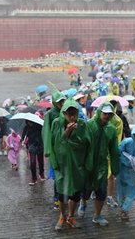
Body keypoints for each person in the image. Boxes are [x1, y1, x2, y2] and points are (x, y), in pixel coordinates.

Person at [49, 99, 91, 231]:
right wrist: (66, 132)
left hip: (77, 165)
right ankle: (62, 215)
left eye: (74, 114)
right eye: (69, 114)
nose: (72, 117)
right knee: (62, 194)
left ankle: (71, 216)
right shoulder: (57, 123)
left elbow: (86, 143)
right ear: (64, 114)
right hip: (63, 165)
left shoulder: (83, 125)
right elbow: (56, 144)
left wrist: (76, 133)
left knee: (75, 194)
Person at [79, 102, 119, 226]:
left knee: (101, 191)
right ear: (100, 112)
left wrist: (114, 167)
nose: (106, 116)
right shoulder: (89, 125)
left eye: (109, 114)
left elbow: (114, 149)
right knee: (85, 191)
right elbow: (82, 145)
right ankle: (83, 202)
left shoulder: (111, 129)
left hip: (101, 165)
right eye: (105, 113)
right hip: (88, 164)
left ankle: (97, 215)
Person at [42, 90, 66, 210]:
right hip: (55, 148)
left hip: (66, 147)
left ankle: (65, 196)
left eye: (62, 101)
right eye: (59, 101)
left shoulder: (65, 111)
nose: (61, 103)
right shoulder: (50, 114)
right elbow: (46, 132)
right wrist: (48, 149)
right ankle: (57, 198)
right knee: (58, 174)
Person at [22, 120, 45, 185]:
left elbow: (43, 133)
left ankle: (41, 173)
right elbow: (24, 135)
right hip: (31, 145)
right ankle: (34, 178)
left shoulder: (39, 126)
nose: (29, 123)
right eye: (28, 122)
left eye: (30, 122)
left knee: (41, 161)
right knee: (32, 162)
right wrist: (22, 140)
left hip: (39, 144)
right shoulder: (26, 127)